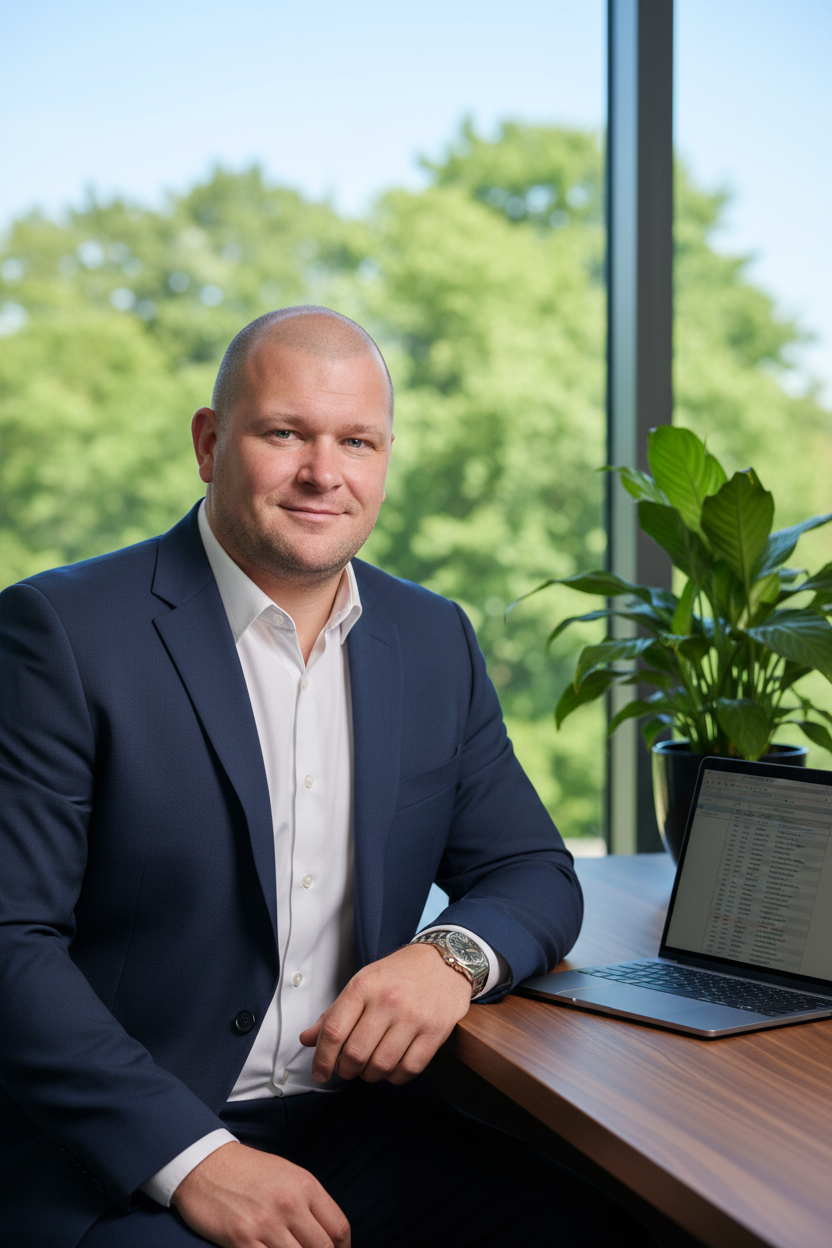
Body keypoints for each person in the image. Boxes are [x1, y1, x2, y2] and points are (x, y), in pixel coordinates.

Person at [0, 306, 656, 1248]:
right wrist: (196, 1158)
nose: (324, 473)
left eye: (357, 441)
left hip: (365, 1127)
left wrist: (451, 959)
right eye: (284, 434)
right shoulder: (60, 633)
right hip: (119, 1155)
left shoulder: (432, 639)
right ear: (208, 442)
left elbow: (533, 871)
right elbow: (11, 944)